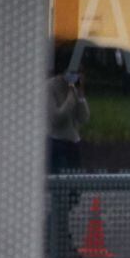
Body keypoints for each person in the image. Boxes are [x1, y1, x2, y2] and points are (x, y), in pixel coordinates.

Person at [47, 43, 89, 173]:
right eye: (74, 71)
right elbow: (57, 118)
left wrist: (81, 95)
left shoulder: (75, 88)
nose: (77, 74)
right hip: (56, 141)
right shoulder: (51, 87)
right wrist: (71, 94)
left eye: (80, 71)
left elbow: (83, 118)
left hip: (73, 142)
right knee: (59, 184)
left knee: (75, 184)